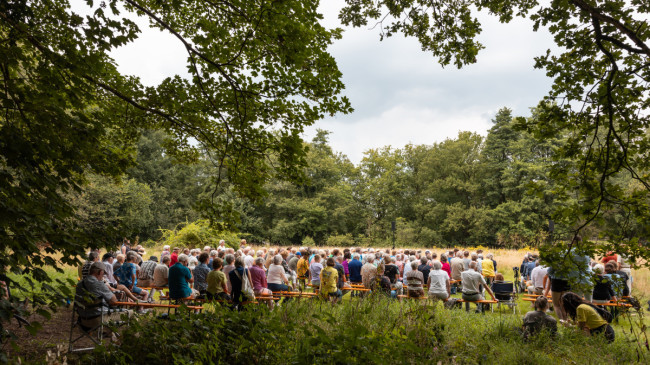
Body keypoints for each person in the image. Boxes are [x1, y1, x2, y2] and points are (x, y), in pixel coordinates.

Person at [74, 262, 131, 329]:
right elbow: (114, 301)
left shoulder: (79, 284)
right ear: (100, 272)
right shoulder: (99, 284)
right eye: (103, 274)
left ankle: (110, 334)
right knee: (132, 313)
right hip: (98, 320)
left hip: (83, 320)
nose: (103, 276)